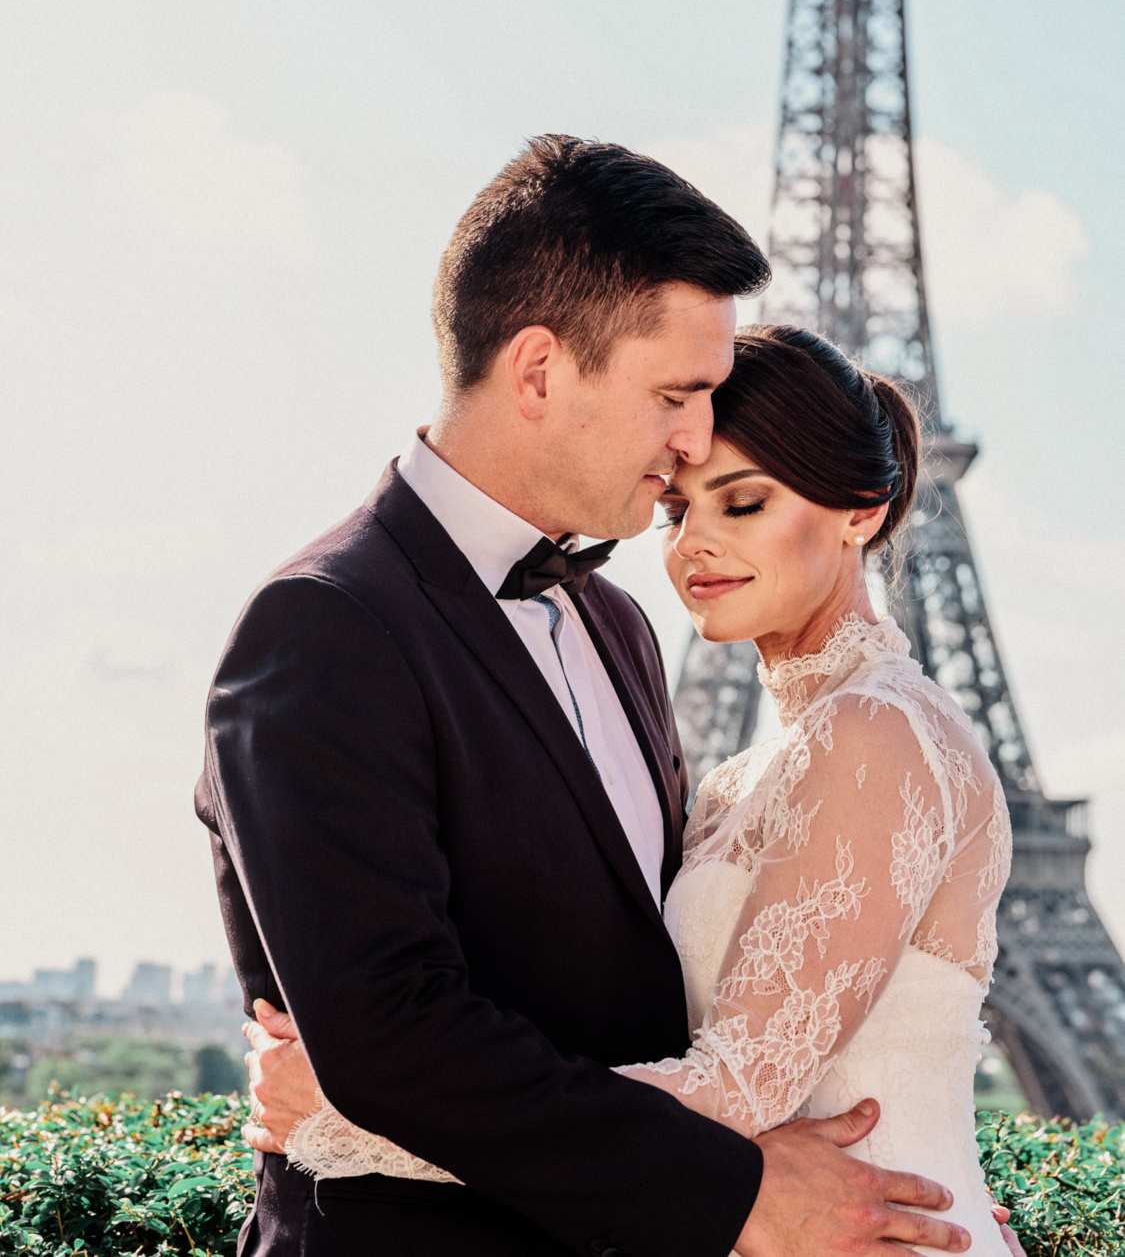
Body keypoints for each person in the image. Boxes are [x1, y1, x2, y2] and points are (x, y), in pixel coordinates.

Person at [198, 135, 973, 1257]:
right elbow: (391, 1031)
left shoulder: (618, 630)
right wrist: (737, 1190)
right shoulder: (324, 625)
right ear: (539, 370)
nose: (699, 436)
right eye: (678, 394)